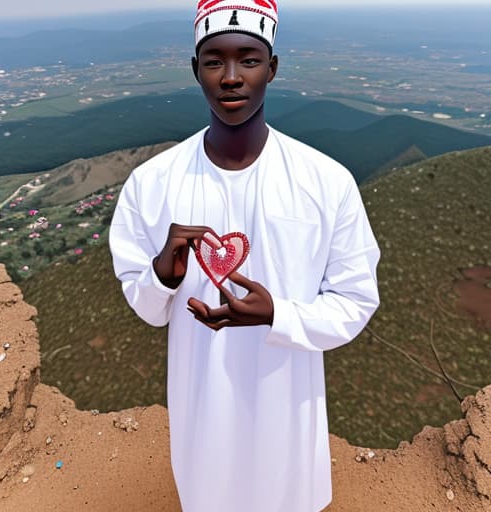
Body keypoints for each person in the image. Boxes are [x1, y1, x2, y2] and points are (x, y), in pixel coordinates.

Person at [108, 1, 381, 511]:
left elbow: (356, 301)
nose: (231, 77)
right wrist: (162, 276)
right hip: (202, 409)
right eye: (214, 61)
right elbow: (146, 307)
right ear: (196, 70)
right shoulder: (153, 183)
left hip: (288, 406)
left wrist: (278, 314)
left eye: (249, 60)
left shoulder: (325, 181)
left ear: (272, 68)